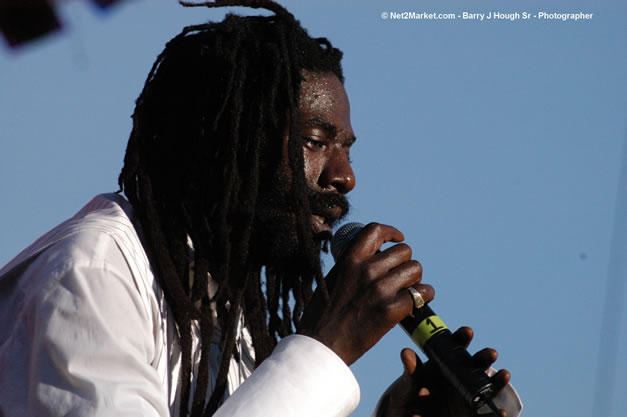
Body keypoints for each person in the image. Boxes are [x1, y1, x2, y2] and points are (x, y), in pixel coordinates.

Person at [0, 1, 522, 416]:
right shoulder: (92, 274)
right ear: (229, 143)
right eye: (316, 140)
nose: (344, 176)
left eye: (347, 148)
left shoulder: (230, 311)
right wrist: (325, 349)